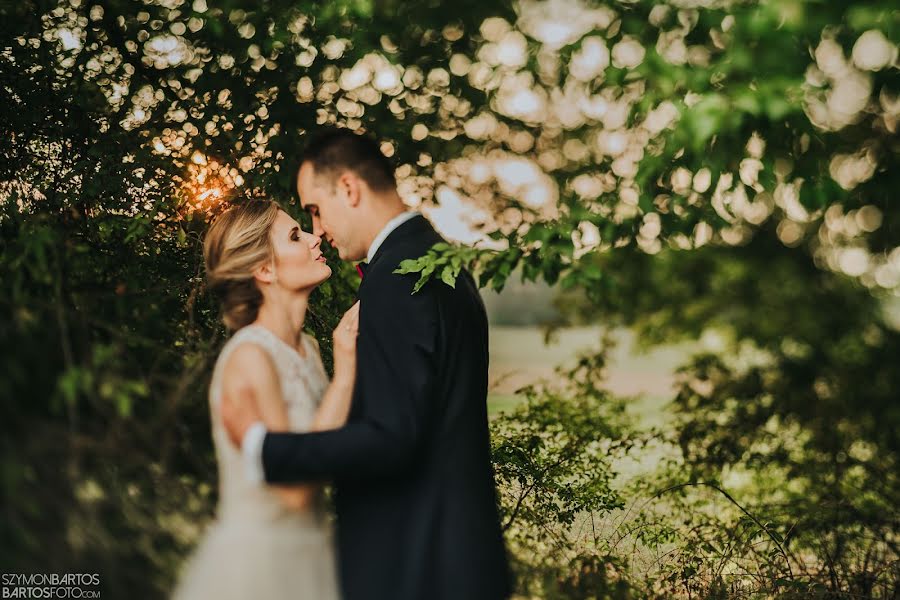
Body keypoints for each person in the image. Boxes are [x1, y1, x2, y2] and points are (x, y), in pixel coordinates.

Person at [221, 128, 511, 600]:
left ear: (349, 189)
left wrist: (264, 449)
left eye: (314, 209)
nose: (317, 229)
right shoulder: (434, 258)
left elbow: (393, 437)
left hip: (420, 568)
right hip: (451, 560)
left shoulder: (397, 277)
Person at [173, 199, 360, 600]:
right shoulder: (250, 358)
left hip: (314, 553)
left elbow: (334, 445)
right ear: (264, 269)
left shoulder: (308, 348)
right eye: (296, 235)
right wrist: (345, 376)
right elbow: (292, 492)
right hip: (260, 569)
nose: (315, 238)